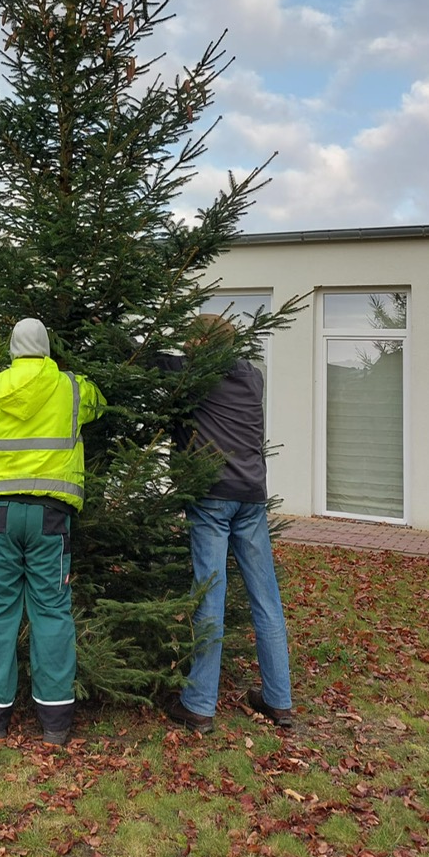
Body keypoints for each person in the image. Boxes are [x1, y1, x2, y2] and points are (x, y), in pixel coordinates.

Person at [0, 318, 106, 746]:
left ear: (12, 349)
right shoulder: (73, 388)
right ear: (47, 348)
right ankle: (55, 723)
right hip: (51, 515)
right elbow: (99, 405)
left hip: (1, 514)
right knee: (51, 611)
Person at [162, 314, 293, 733]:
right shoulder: (252, 376)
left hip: (212, 498)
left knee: (210, 595)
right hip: (251, 496)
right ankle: (279, 701)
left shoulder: (195, 374)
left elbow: (150, 361)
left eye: (191, 340)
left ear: (202, 344)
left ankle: (199, 706)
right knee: (266, 599)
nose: (186, 346)